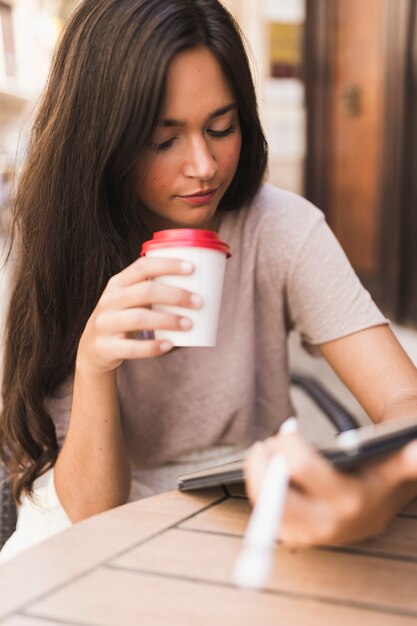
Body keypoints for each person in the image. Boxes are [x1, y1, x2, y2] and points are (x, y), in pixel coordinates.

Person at [1, 0, 417, 562]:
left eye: (222, 127)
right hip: (90, 500)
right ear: (103, 139)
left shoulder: (281, 228)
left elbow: (403, 396)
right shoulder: (55, 243)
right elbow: (91, 513)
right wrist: (94, 363)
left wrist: (376, 486)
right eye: (163, 139)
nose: (204, 165)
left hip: (240, 487)